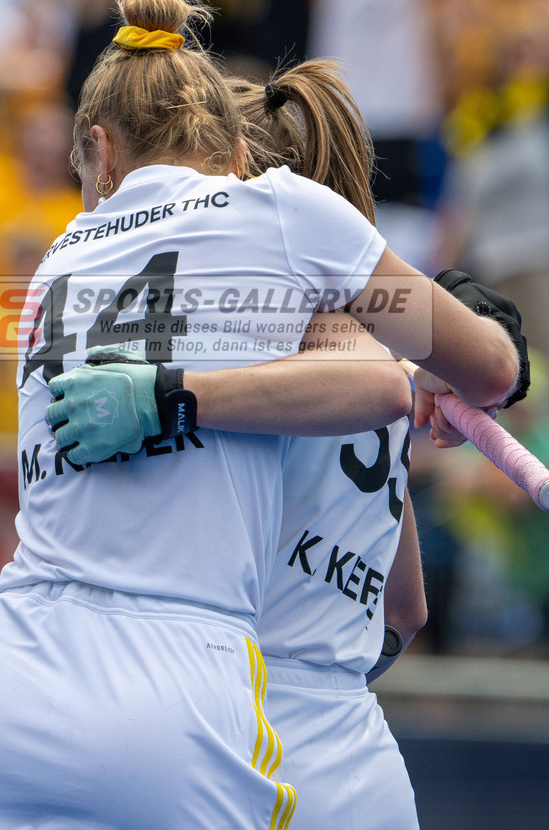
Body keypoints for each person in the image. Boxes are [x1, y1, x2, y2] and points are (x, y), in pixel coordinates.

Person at [0, 0, 520, 830]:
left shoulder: (55, 257)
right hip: (187, 695)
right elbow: (466, 373)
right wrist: (453, 341)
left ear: (101, 149)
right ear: (231, 159)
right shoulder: (281, 215)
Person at [48, 60, 530, 830]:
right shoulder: (370, 354)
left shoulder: (220, 330)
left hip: (225, 729)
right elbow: (403, 610)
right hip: (359, 751)